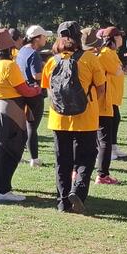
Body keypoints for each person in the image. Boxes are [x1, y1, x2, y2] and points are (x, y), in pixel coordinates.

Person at [42, 21, 105, 213]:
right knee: (86, 157)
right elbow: (101, 89)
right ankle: (77, 190)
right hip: (85, 117)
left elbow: (48, 89)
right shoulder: (90, 59)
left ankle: (62, 202)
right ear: (79, 37)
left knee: (62, 160)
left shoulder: (52, 62)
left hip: (58, 118)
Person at [0, 29, 41, 202]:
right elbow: (25, 90)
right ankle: (4, 191)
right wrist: (37, 89)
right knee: (10, 152)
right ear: (9, 47)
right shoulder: (9, 65)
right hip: (10, 112)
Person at [94, 27, 126, 184]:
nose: (122, 39)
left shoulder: (112, 53)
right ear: (113, 38)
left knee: (111, 127)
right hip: (105, 100)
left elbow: (119, 71)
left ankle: (103, 171)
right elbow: (117, 71)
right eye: (120, 36)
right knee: (104, 138)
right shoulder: (106, 53)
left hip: (111, 98)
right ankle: (102, 175)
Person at [15, 25, 49, 167]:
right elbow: (37, 75)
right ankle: (34, 159)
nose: (46, 39)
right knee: (32, 127)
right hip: (34, 93)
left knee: (24, 126)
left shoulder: (22, 50)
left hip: (22, 92)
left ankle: (18, 155)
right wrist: (48, 69)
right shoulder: (34, 54)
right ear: (37, 38)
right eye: (44, 37)